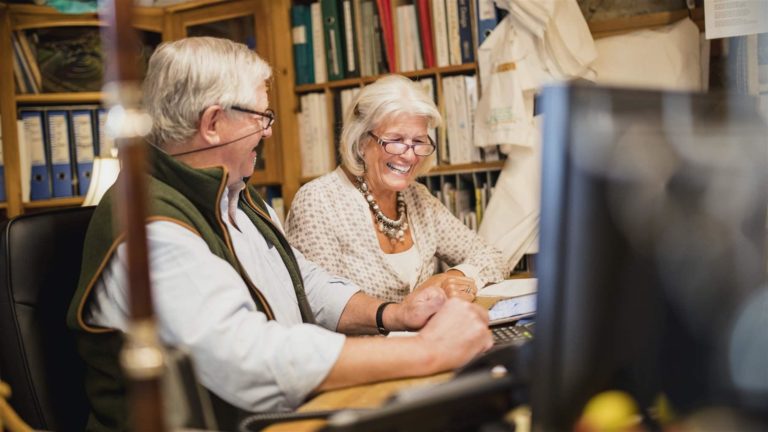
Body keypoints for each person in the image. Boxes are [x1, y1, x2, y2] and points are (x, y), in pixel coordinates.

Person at [66, 37, 492, 431]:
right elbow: (247, 358)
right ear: (213, 122)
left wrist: (395, 315)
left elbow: (303, 281)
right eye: (261, 116)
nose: (269, 130)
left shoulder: (236, 195)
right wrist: (428, 350)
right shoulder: (150, 227)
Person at [285, 75, 510, 303]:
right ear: (362, 141)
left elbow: (493, 257)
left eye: (419, 141)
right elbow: (320, 305)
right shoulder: (319, 201)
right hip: (361, 340)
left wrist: (454, 276)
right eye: (396, 140)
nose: (410, 155)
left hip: (429, 337)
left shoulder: (417, 198)